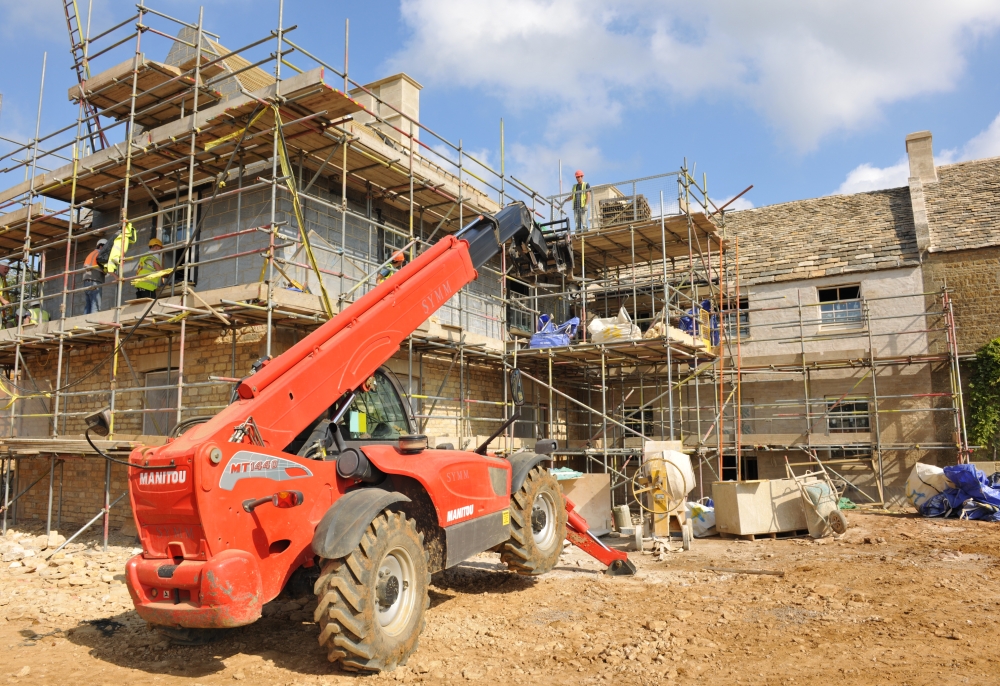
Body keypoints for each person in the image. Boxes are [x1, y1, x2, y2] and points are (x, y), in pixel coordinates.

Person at [562, 169, 592, 234]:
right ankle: (578, 237)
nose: (577, 178)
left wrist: (586, 205)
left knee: (584, 223)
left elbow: (588, 195)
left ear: (582, 176)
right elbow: (573, 196)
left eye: (578, 177)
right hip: (576, 207)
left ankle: (585, 236)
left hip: (583, 206)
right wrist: (566, 200)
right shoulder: (574, 186)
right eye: (576, 177)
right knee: (577, 225)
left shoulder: (586, 184)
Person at [83, 239, 107, 314]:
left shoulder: (91, 254)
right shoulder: (100, 254)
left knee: (88, 305)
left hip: (86, 280)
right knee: (95, 305)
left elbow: (86, 266)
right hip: (95, 280)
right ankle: (92, 324)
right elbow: (101, 267)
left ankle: (84, 323)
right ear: (101, 246)